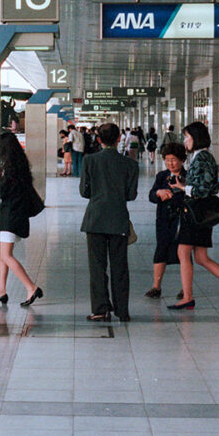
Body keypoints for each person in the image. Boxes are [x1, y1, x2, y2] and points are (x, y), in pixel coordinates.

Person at [168, 121, 219, 311]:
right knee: (201, 257)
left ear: (195, 138)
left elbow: (203, 189)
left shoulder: (202, 157)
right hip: (199, 212)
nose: (185, 141)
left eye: (187, 137)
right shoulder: (200, 156)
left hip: (195, 212)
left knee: (183, 253)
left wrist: (182, 187)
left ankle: (188, 297)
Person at [80, 122, 139, 322]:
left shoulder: (89, 160)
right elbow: (131, 195)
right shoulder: (130, 164)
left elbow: (84, 192)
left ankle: (100, 309)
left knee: (97, 267)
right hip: (119, 219)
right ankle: (122, 311)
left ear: (98, 140)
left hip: (95, 220)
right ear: (119, 139)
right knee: (120, 267)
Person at [0, 130, 44, 307]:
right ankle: (1, 291)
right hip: (15, 216)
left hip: (10, 217)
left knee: (6, 256)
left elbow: (2, 190)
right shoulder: (19, 165)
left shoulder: (7, 170)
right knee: (3, 256)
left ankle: (31, 287)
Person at [144, 142, 187, 298]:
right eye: (167, 159)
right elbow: (151, 195)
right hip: (163, 219)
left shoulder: (187, 177)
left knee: (183, 254)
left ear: (182, 160)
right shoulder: (162, 176)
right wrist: (158, 193)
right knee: (161, 249)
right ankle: (156, 286)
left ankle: (185, 288)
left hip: (182, 220)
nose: (170, 163)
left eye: (174, 159)